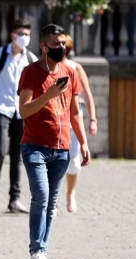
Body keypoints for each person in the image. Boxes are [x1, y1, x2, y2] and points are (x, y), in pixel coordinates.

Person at [18, 24, 90, 259]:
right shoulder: (31, 73)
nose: (60, 48)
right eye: (55, 44)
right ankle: (37, 253)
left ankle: (42, 252)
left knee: (51, 203)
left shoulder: (70, 72)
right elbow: (23, 110)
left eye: (62, 44)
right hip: (34, 147)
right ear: (43, 47)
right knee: (41, 197)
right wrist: (47, 95)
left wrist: (83, 142)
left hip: (61, 149)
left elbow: (74, 111)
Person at [0, 18, 37, 213]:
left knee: (18, 156)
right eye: (22, 34)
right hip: (1, 110)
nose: (25, 38)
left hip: (21, 113)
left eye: (28, 34)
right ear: (13, 35)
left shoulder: (30, 59)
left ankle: (14, 199)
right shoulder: (0, 56)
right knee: (0, 150)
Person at [62, 34, 98, 213]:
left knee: (74, 161)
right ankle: (50, 199)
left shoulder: (75, 67)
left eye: (64, 48)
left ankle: (70, 193)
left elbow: (88, 94)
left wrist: (92, 119)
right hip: (54, 119)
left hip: (73, 118)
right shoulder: (46, 67)